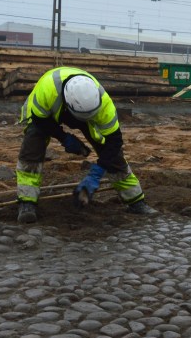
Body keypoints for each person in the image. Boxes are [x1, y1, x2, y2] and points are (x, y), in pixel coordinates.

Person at [15, 67, 155, 223]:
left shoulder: (104, 104)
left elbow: (114, 141)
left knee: (112, 155)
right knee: (32, 147)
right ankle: (27, 203)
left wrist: (97, 172)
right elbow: (40, 120)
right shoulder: (47, 91)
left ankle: (135, 201)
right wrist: (64, 137)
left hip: (85, 113)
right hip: (45, 113)